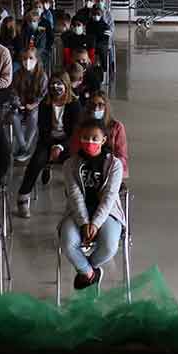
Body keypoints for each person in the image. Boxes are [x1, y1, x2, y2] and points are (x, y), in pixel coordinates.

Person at [59, 119, 126, 292]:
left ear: (103, 140)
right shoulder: (69, 165)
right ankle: (90, 273)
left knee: (110, 245)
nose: (90, 141)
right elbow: (74, 195)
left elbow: (109, 196)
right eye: (85, 137)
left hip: (107, 212)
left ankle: (87, 268)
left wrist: (95, 223)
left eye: (95, 138)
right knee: (67, 243)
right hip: (77, 212)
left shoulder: (115, 165)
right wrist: (84, 223)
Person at [16, 74, 80, 218]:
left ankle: (73, 201)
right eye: (53, 84)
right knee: (36, 161)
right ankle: (23, 197)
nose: (55, 87)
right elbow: (43, 129)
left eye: (59, 84)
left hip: (68, 142)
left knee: (72, 166)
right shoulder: (45, 104)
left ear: (66, 85)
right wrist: (52, 146)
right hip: (47, 141)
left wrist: (60, 147)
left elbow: (76, 133)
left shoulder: (74, 104)